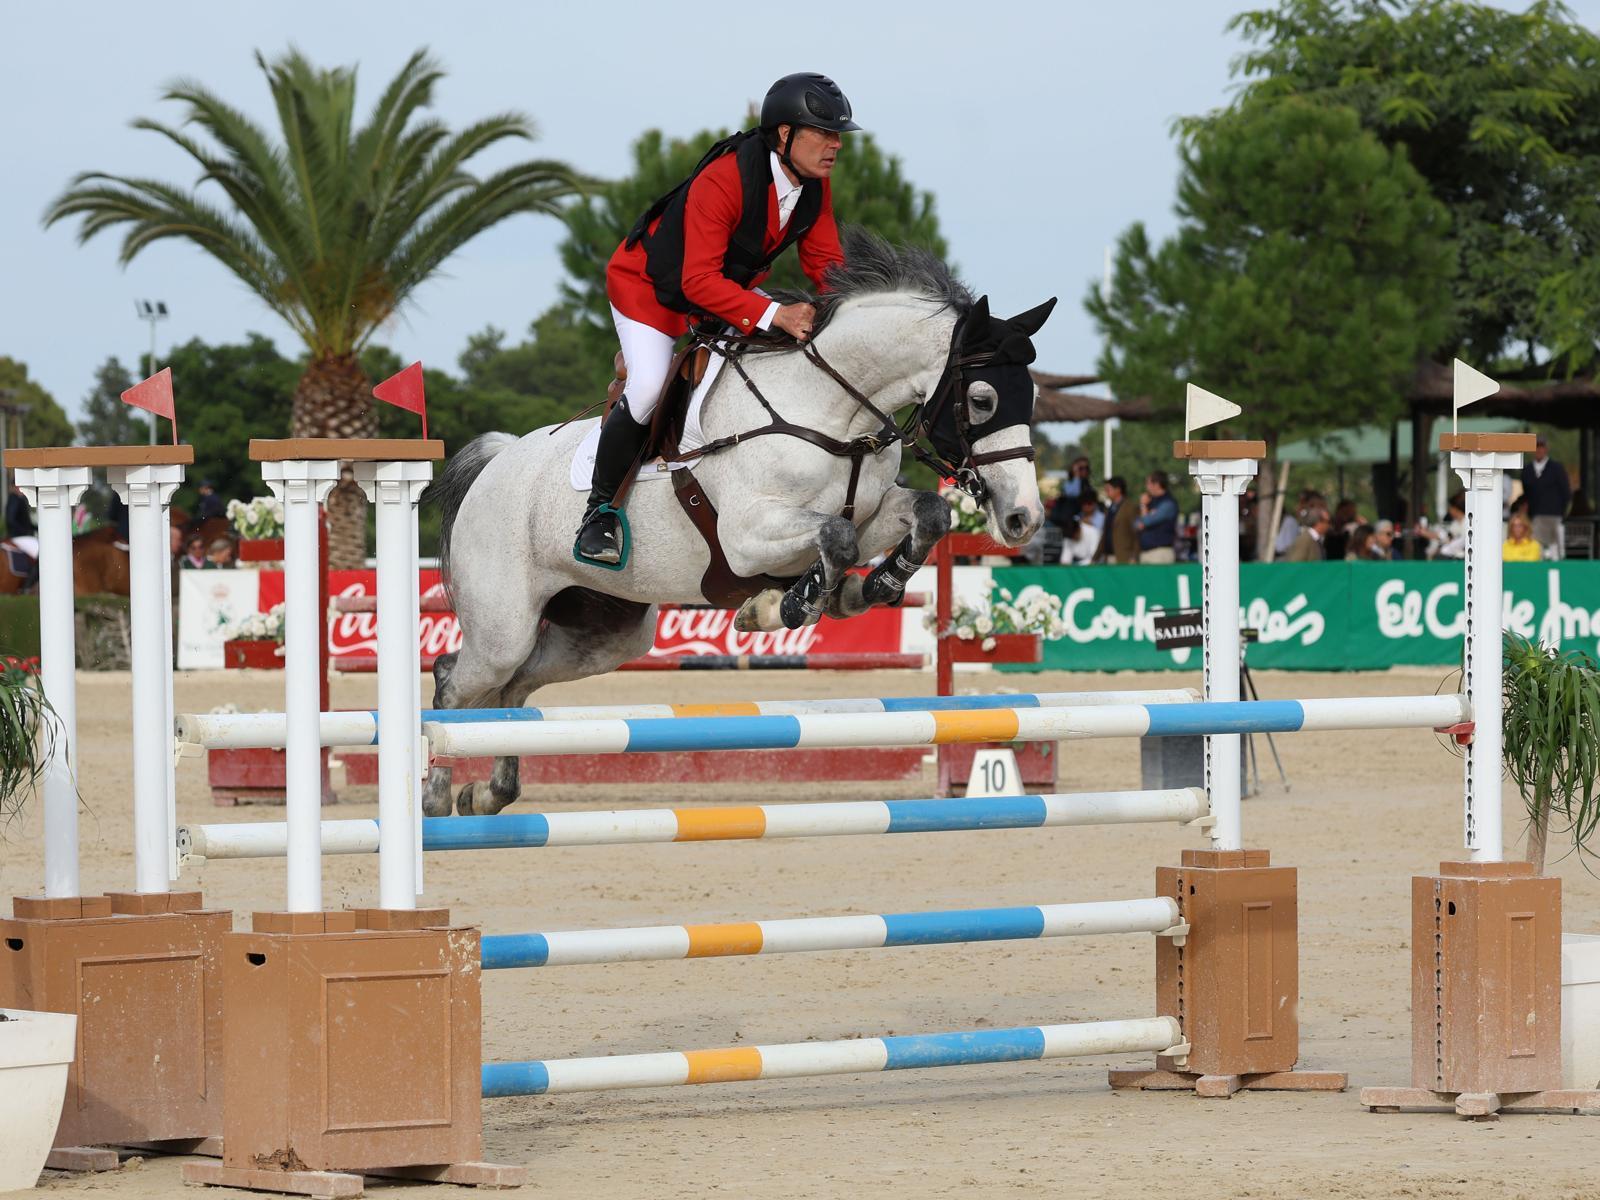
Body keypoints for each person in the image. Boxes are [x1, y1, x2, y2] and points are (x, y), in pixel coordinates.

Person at [575, 73, 858, 565]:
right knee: (646, 386)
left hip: (719, 292)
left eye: (838, 135)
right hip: (650, 290)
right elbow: (696, 283)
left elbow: (825, 264)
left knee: (790, 355)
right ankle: (598, 513)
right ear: (785, 135)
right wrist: (775, 313)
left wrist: (853, 312)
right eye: (825, 133)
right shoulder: (725, 178)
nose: (835, 145)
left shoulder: (814, 186)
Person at [1521, 433, 1571, 559]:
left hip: (1555, 515)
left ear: (1546, 448)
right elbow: (1526, 493)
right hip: (1536, 516)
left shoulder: (1556, 468)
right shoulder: (1527, 470)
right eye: (1537, 446)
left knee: (1556, 550)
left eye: (1541, 446)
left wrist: (1562, 512)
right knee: (1538, 548)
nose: (1539, 449)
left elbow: (1566, 492)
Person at [1134, 471, 1178, 564]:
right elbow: (1136, 524)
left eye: (1148, 483)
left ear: (1157, 484)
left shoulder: (1167, 503)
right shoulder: (1150, 501)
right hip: (1145, 552)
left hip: (1160, 552)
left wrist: (1143, 506)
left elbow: (1146, 521)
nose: (1146, 487)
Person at [1093, 476, 1139, 564]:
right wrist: (1096, 557)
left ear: (1118, 490)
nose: (1106, 492)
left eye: (1108, 489)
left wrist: (1134, 556)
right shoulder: (1109, 509)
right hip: (1108, 557)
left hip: (1124, 557)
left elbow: (1135, 533)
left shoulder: (1129, 508)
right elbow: (1105, 534)